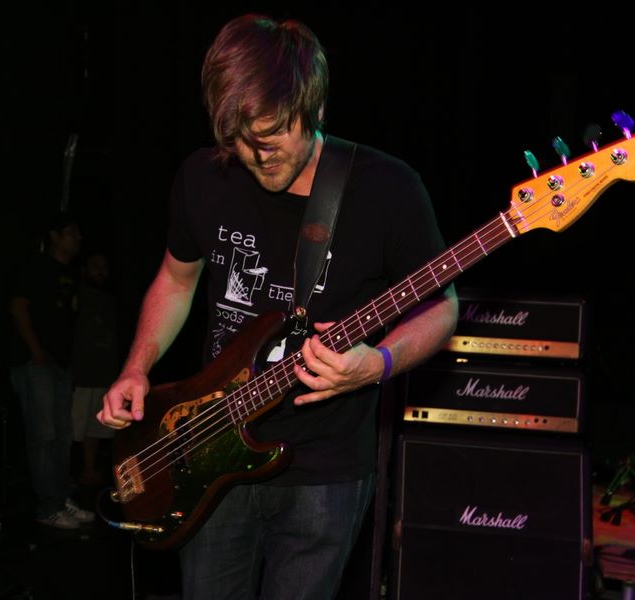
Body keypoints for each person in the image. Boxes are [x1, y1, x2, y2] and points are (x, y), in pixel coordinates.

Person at [98, 14, 458, 599]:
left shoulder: (387, 188)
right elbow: (175, 279)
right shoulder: (202, 176)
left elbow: (440, 306)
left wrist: (379, 363)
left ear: (314, 106)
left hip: (327, 467)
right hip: (207, 448)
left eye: (272, 134)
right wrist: (137, 367)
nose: (257, 154)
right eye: (240, 140)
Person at [9, 211, 95, 529]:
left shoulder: (71, 273)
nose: (78, 238)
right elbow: (18, 307)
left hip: (61, 364)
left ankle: (60, 500)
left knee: (63, 435)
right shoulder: (36, 266)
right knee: (44, 435)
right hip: (36, 363)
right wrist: (35, 350)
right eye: (71, 232)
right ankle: (48, 508)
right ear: (55, 236)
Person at [71, 251, 119, 485]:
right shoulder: (77, 294)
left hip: (105, 375)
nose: (101, 271)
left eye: (104, 266)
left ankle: (89, 471)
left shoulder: (111, 300)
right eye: (95, 265)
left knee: (96, 429)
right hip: (80, 375)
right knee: (72, 429)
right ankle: (67, 477)